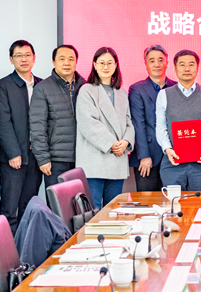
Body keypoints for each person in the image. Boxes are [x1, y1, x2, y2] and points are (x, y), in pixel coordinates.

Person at [0, 40, 43, 235]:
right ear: (11, 59)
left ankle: (25, 248)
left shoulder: (42, 85)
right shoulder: (2, 86)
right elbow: (2, 123)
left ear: (34, 58)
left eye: (27, 55)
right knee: (9, 209)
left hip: (35, 158)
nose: (24, 59)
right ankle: (6, 250)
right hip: (13, 159)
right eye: (18, 56)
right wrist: (13, 153)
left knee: (28, 207)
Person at [76, 47, 135, 208]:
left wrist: (126, 141)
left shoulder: (122, 92)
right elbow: (89, 124)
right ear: (94, 65)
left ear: (116, 65)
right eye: (101, 63)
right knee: (93, 210)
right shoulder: (87, 90)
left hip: (117, 160)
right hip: (95, 159)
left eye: (110, 63)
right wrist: (112, 144)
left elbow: (129, 122)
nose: (105, 67)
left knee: (114, 209)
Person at [155, 50, 201, 191]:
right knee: (174, 203)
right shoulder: (164, 95)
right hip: (172, 163)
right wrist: (167, 149)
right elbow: (161, 127)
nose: (187, 69)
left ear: (197, 67)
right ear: (175, 68)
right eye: (182, 64)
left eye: (191, 64)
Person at [30, 45, 86, 189]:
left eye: (71, 59)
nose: (66, 63)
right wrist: (43, 158)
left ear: (76, 62)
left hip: (82, 157)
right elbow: (37, 127)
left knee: (80, 201)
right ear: (54, 62)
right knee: (58, 201)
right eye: (62, 59)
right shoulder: (42, 88)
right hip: (56, 160)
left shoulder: (85, 86)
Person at [128, 46, 176, 192]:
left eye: (161, 60)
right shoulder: (137, 89)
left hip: (174, 155)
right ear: (146, 64)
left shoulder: (176, 87)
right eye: (152, 60)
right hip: (148, 156)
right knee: (147, 201)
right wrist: (144, 156)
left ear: (167, 63)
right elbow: (138, 124)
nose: (157, 64)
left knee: (172, 200)